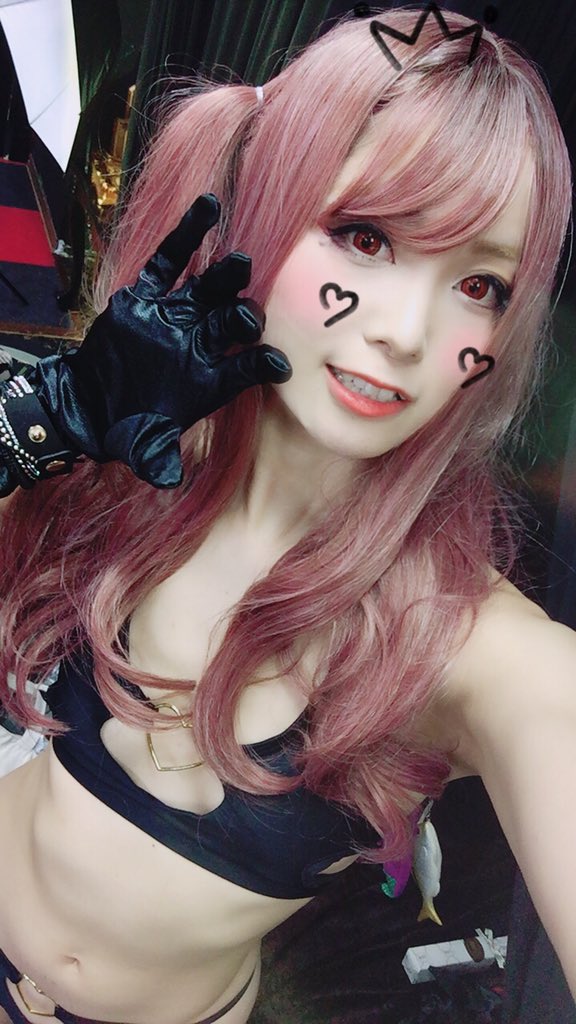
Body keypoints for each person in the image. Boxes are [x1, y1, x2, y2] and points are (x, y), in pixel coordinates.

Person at [0, 6, 574, 1023]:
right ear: (262, 210)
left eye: (480, 283)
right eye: (365, 236)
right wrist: (39, 426)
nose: (406, 332)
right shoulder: (124, 453)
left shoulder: (477, 648)